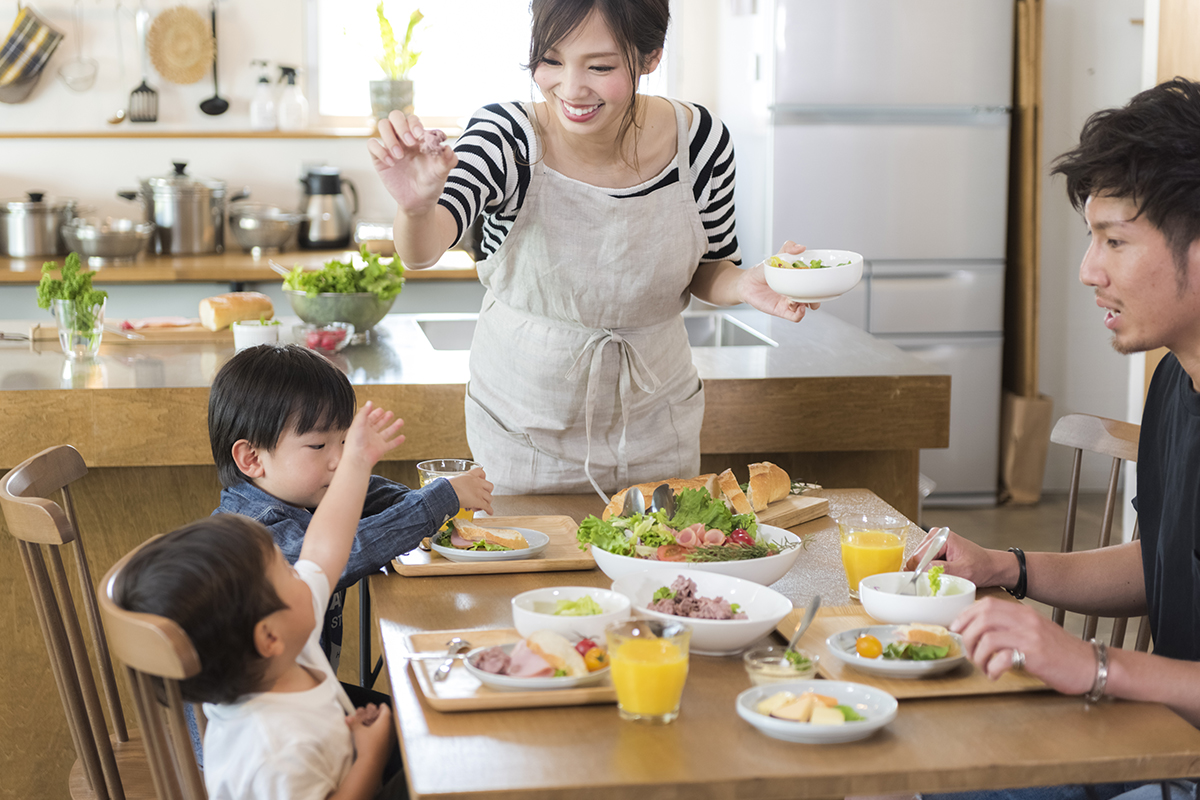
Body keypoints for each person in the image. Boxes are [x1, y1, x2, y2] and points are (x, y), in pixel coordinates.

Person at [368, 0, 815, 499]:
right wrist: (414, 208)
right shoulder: (505, 137)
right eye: (551, 60)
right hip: (525, 435)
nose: (571, 87)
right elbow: (424, 248)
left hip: (656, 428)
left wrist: (745, 282)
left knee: (661, 567)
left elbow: (710, 269)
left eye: (600, 66)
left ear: (650, 58)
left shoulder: (702, 142)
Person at [909, 77, 1200, 800]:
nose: (1088, 270)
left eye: (1115, 241)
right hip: (1157, 737)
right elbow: (1164, 562)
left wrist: (1097, 666)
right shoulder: (1175, 383)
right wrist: (1006, 568)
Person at [115, 401, 409, 799]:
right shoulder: (275, 750)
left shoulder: (283, 649)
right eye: (287, 572)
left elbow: (324, 546)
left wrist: (358, 460)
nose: (302, 570)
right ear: (268, 637)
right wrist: (368, 758)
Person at [209, 343, 494, 673]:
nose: (340, 459)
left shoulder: (302, 497)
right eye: (319, 445)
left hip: (305, 699)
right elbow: (344, 551)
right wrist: (438, 501)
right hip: (268, 718)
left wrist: (429, 508)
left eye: (345, 441)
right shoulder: (254, 535)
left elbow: (366, 493)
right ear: (252, 458)